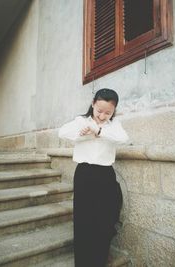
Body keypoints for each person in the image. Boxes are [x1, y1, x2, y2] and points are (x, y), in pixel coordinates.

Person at [58, 88, 129, 267]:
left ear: (114, 111)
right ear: (92, 104)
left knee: (105, 220)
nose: (103, 115)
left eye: (108, 112)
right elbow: (63, 133)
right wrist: (86, 134)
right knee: (84, 220)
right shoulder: (81, 120)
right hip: (84, 174)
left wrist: (99, 131)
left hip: (106, 175)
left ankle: (99, 259)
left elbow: (123, 139)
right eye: (99, 110)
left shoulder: (114, 125)